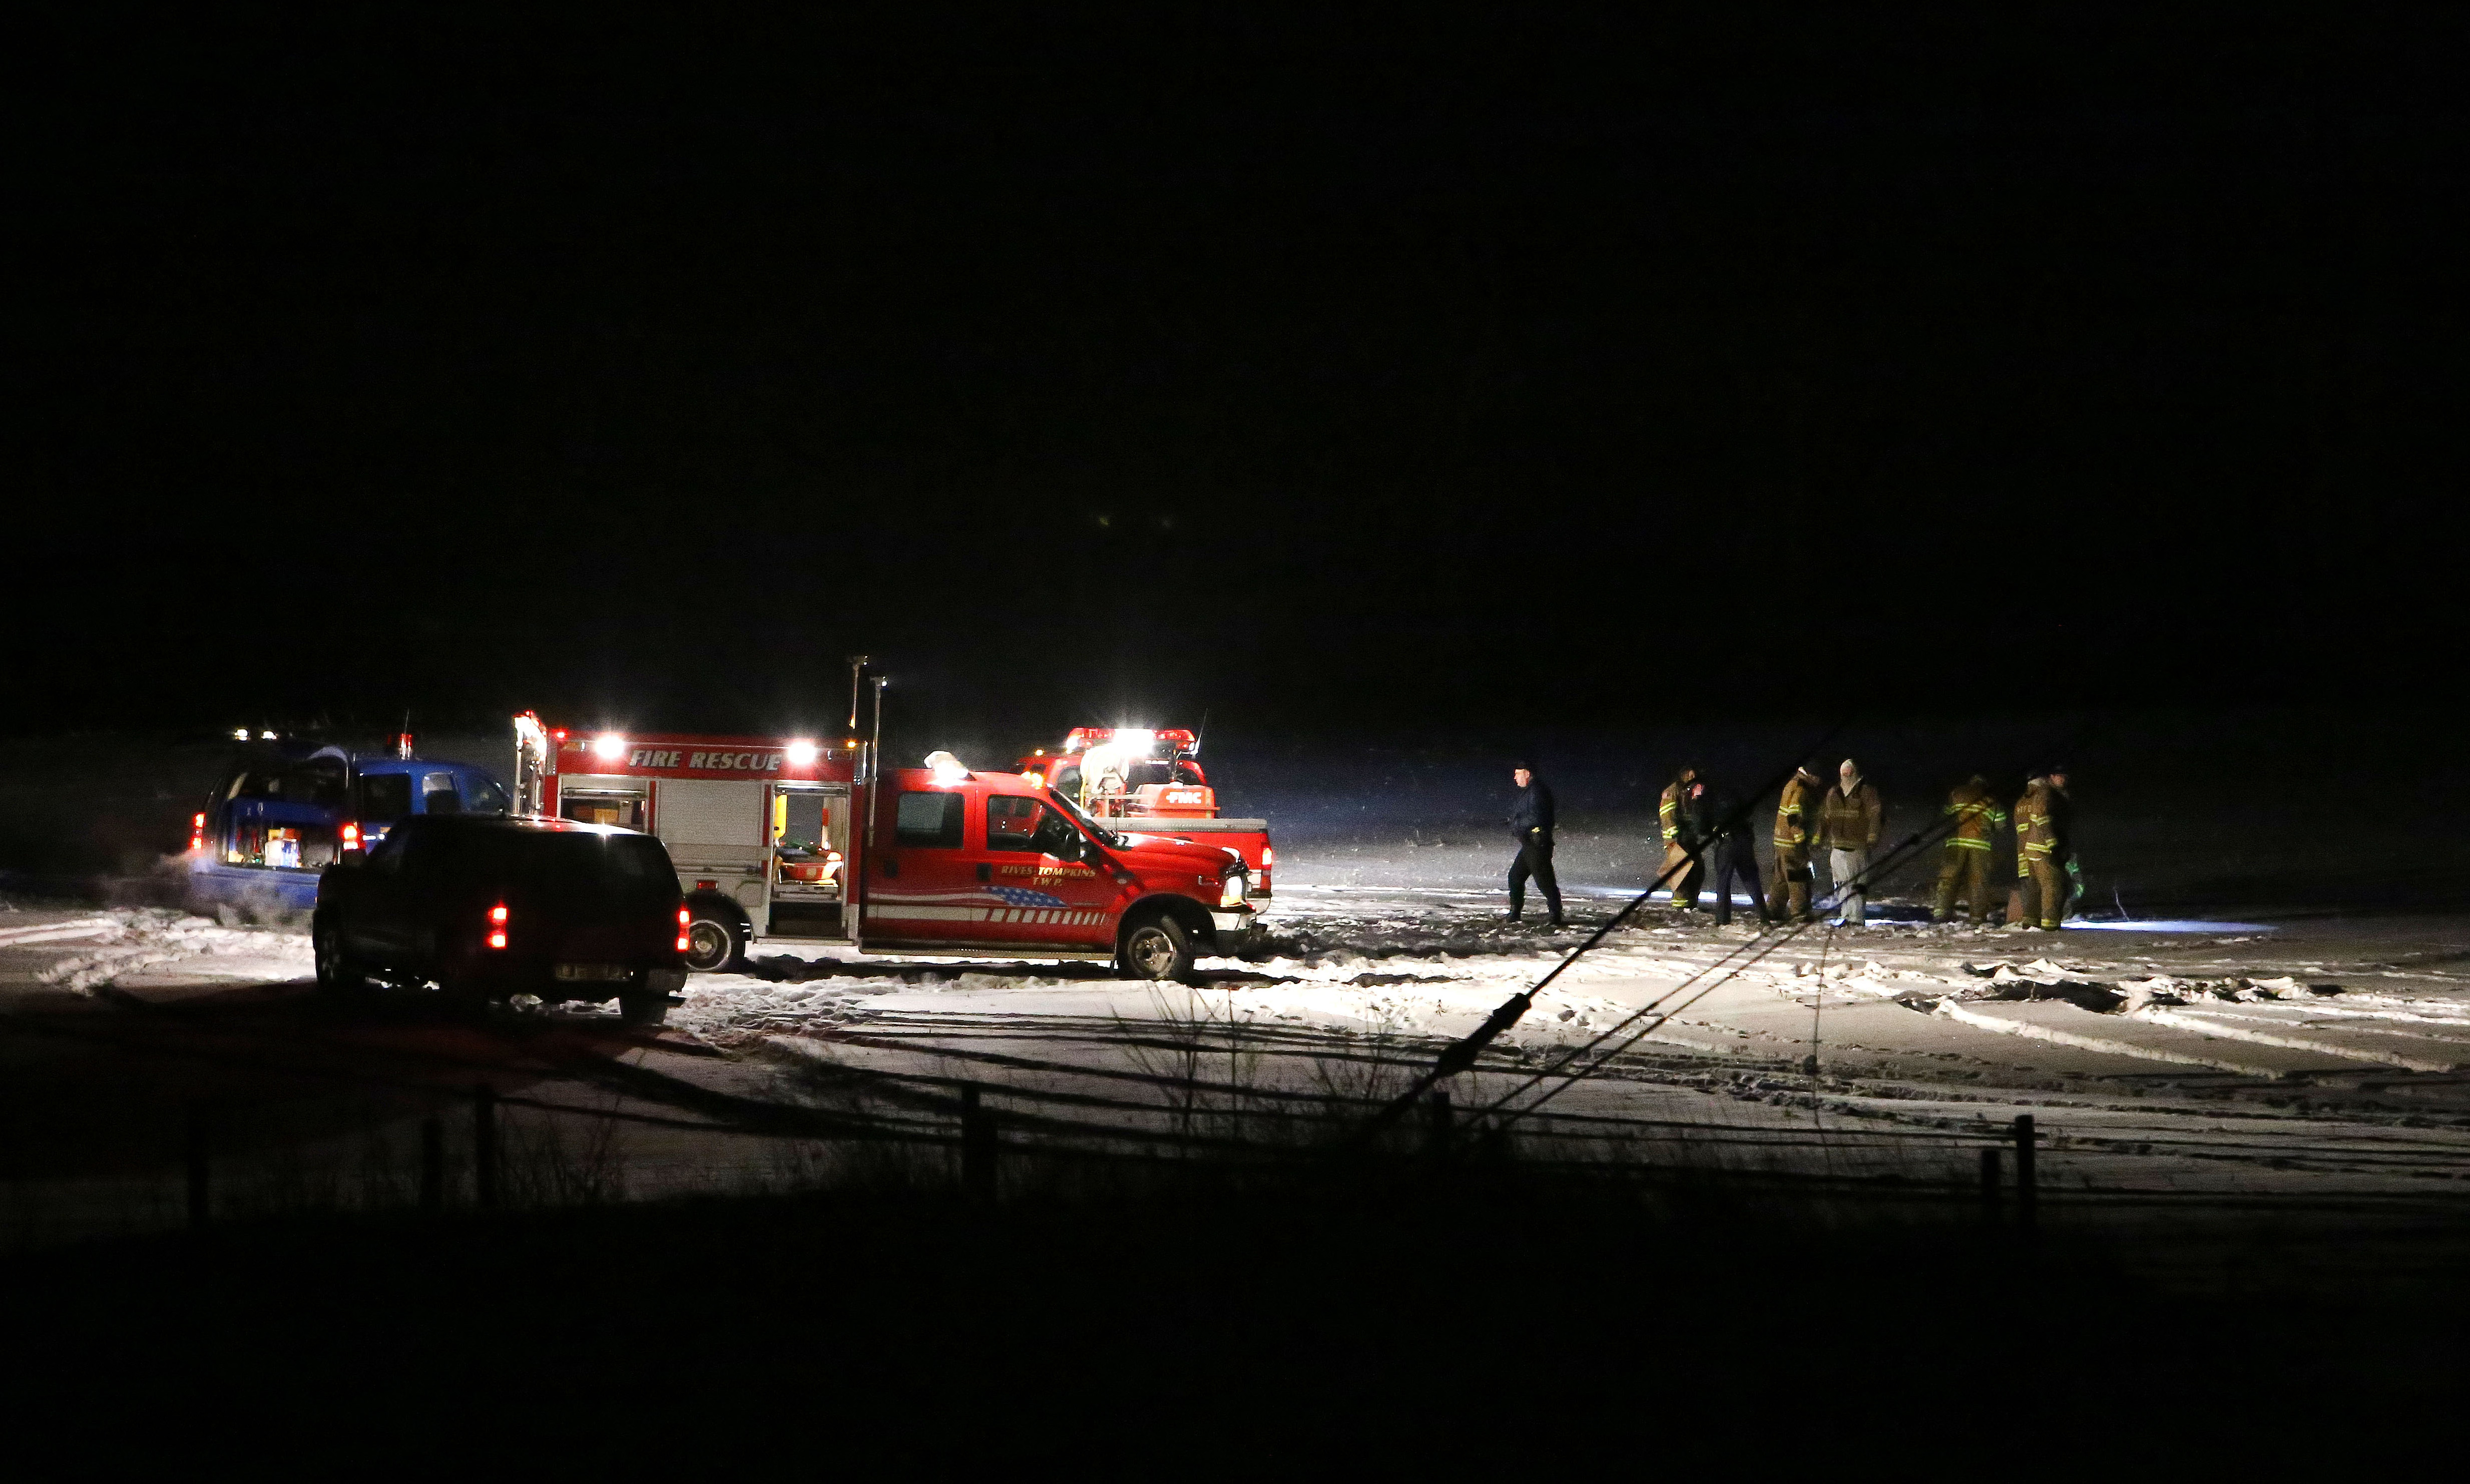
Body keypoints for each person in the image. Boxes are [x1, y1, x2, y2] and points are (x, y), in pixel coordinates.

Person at [1816, 757, 1884, 926]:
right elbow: (1825, 818)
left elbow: (1876, 816)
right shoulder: (1834, 793)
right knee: (1840, 884)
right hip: (1838, 846)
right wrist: (1817, 839)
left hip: (1858, 847)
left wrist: (1872, 837)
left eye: (1849, 772)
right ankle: (1846, 916)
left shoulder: (1867, 793)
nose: (1846, 776)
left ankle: (1856, 918)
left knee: (1857, 885)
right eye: (1844, 773)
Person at [1932, 775, 2006, 925]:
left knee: (1948, 880)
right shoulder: (1991, 799)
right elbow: (2001, 825)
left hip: (1955, 844)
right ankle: (1977, 918)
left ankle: (1941, 915)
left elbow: (1944, 817)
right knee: (1978, 882)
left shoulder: (1956, 793)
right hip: (1980, 846)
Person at [1705, 778, 1771, 928]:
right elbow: (1749, 811)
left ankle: (1723, 919)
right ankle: (1763, 916)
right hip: (1744, 840)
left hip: (1726, 843)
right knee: (1751, 879)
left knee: (1723, 882)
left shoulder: (1711, 800)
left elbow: (1703, 823)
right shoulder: (1736, 796)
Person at [1506, 763, 1564, 928]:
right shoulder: (1530, 791)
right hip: (1529, 844)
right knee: (1515, 876)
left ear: (1527, 774)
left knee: (1544, 880)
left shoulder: (1537, 791)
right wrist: (1513, 822)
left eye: (1518, 774)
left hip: (1537, 844)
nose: (1515, 778)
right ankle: (1515, 911)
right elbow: (1527, 814)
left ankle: (1555, 913)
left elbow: (1538, 817)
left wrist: (1518, 823)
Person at [1766, 764, 1824, 923]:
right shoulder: (1801, 788)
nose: (1820, 782)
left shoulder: (1792, 783)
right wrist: (1801, 840)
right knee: (1799, 878)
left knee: (1782, 879)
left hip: (1781, 841)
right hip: (1792, 844)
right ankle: (1800, 913)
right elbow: (1793, 817)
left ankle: (1773, 911)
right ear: (1812, 776)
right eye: (1818, 778)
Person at [1658, 764, 1705, 910]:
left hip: (1690, 839)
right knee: (1681, 874)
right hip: (1677, 841)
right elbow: (1667, 814)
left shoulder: (1690, 791)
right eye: (1690, 774)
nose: (1693, 777)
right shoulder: (1672, 791)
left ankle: (1691, 903)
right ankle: (1680, 907)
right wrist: (1674, 835)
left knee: (1697, 870)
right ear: (1683, 774)